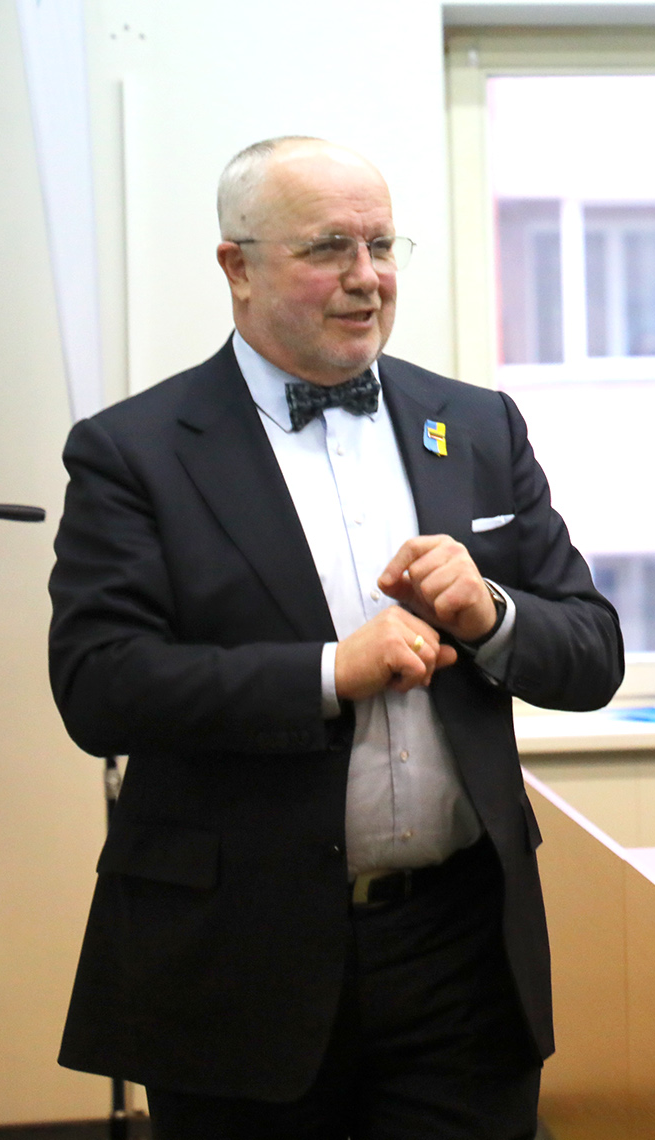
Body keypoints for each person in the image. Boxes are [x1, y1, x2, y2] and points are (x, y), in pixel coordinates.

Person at [47, 137, 624, 1138]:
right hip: (241, 958)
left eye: (381, 245)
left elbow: (592, 653)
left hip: (461, 955)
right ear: (237, 266)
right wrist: (325, 673)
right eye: (328, 248)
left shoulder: (476, 425)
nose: (367, 278)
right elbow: (100, 686)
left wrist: (491, 614)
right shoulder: (134, 451)